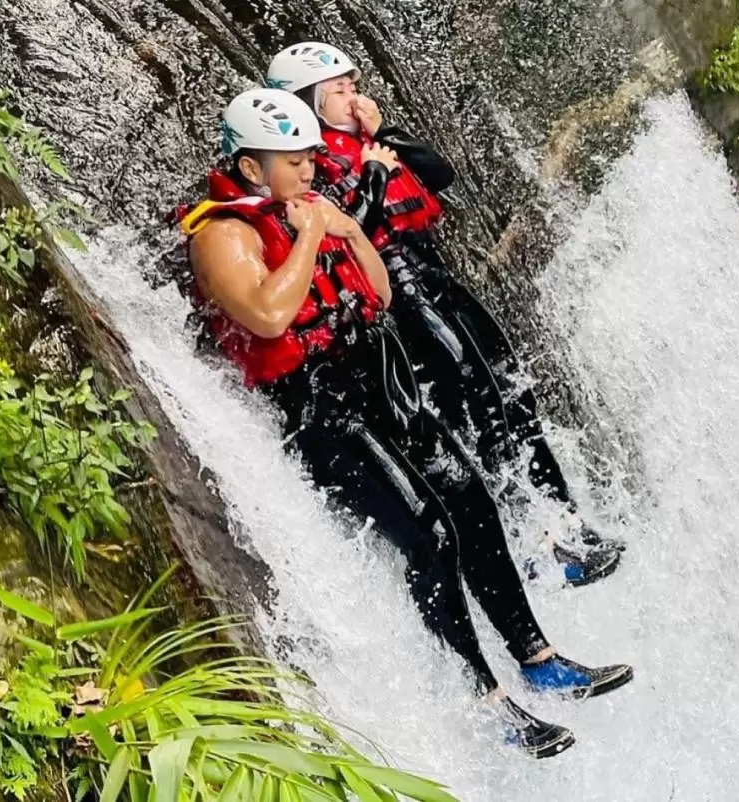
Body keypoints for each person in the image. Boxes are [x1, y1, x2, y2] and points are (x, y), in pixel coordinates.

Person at [183, 87, 634, 759]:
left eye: (310, 156)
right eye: (294, 161)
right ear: (252, 169)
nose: (309, 170)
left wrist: (352, 231)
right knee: (431, 532)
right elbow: (269, 316)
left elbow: (381, 293)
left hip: (376, 378)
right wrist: (311, 234)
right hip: (319, 408)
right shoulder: (224, 233)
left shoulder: (304, 209)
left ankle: (537, 657)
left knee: (471, 499)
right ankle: (486, 702)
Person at [266, 43, 626, 588]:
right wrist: (373, 173)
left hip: (433, 273)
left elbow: (440, 173)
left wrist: (383, 134)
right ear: (308, 102)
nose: (353, 93)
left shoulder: (369, 144)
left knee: (510, 388)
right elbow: (351, 230)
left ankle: (566, 520)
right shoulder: (306, 172)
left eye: (351, 82)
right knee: (480, 400)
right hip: (402, 292)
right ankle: (537, 543)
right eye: (339, 88)